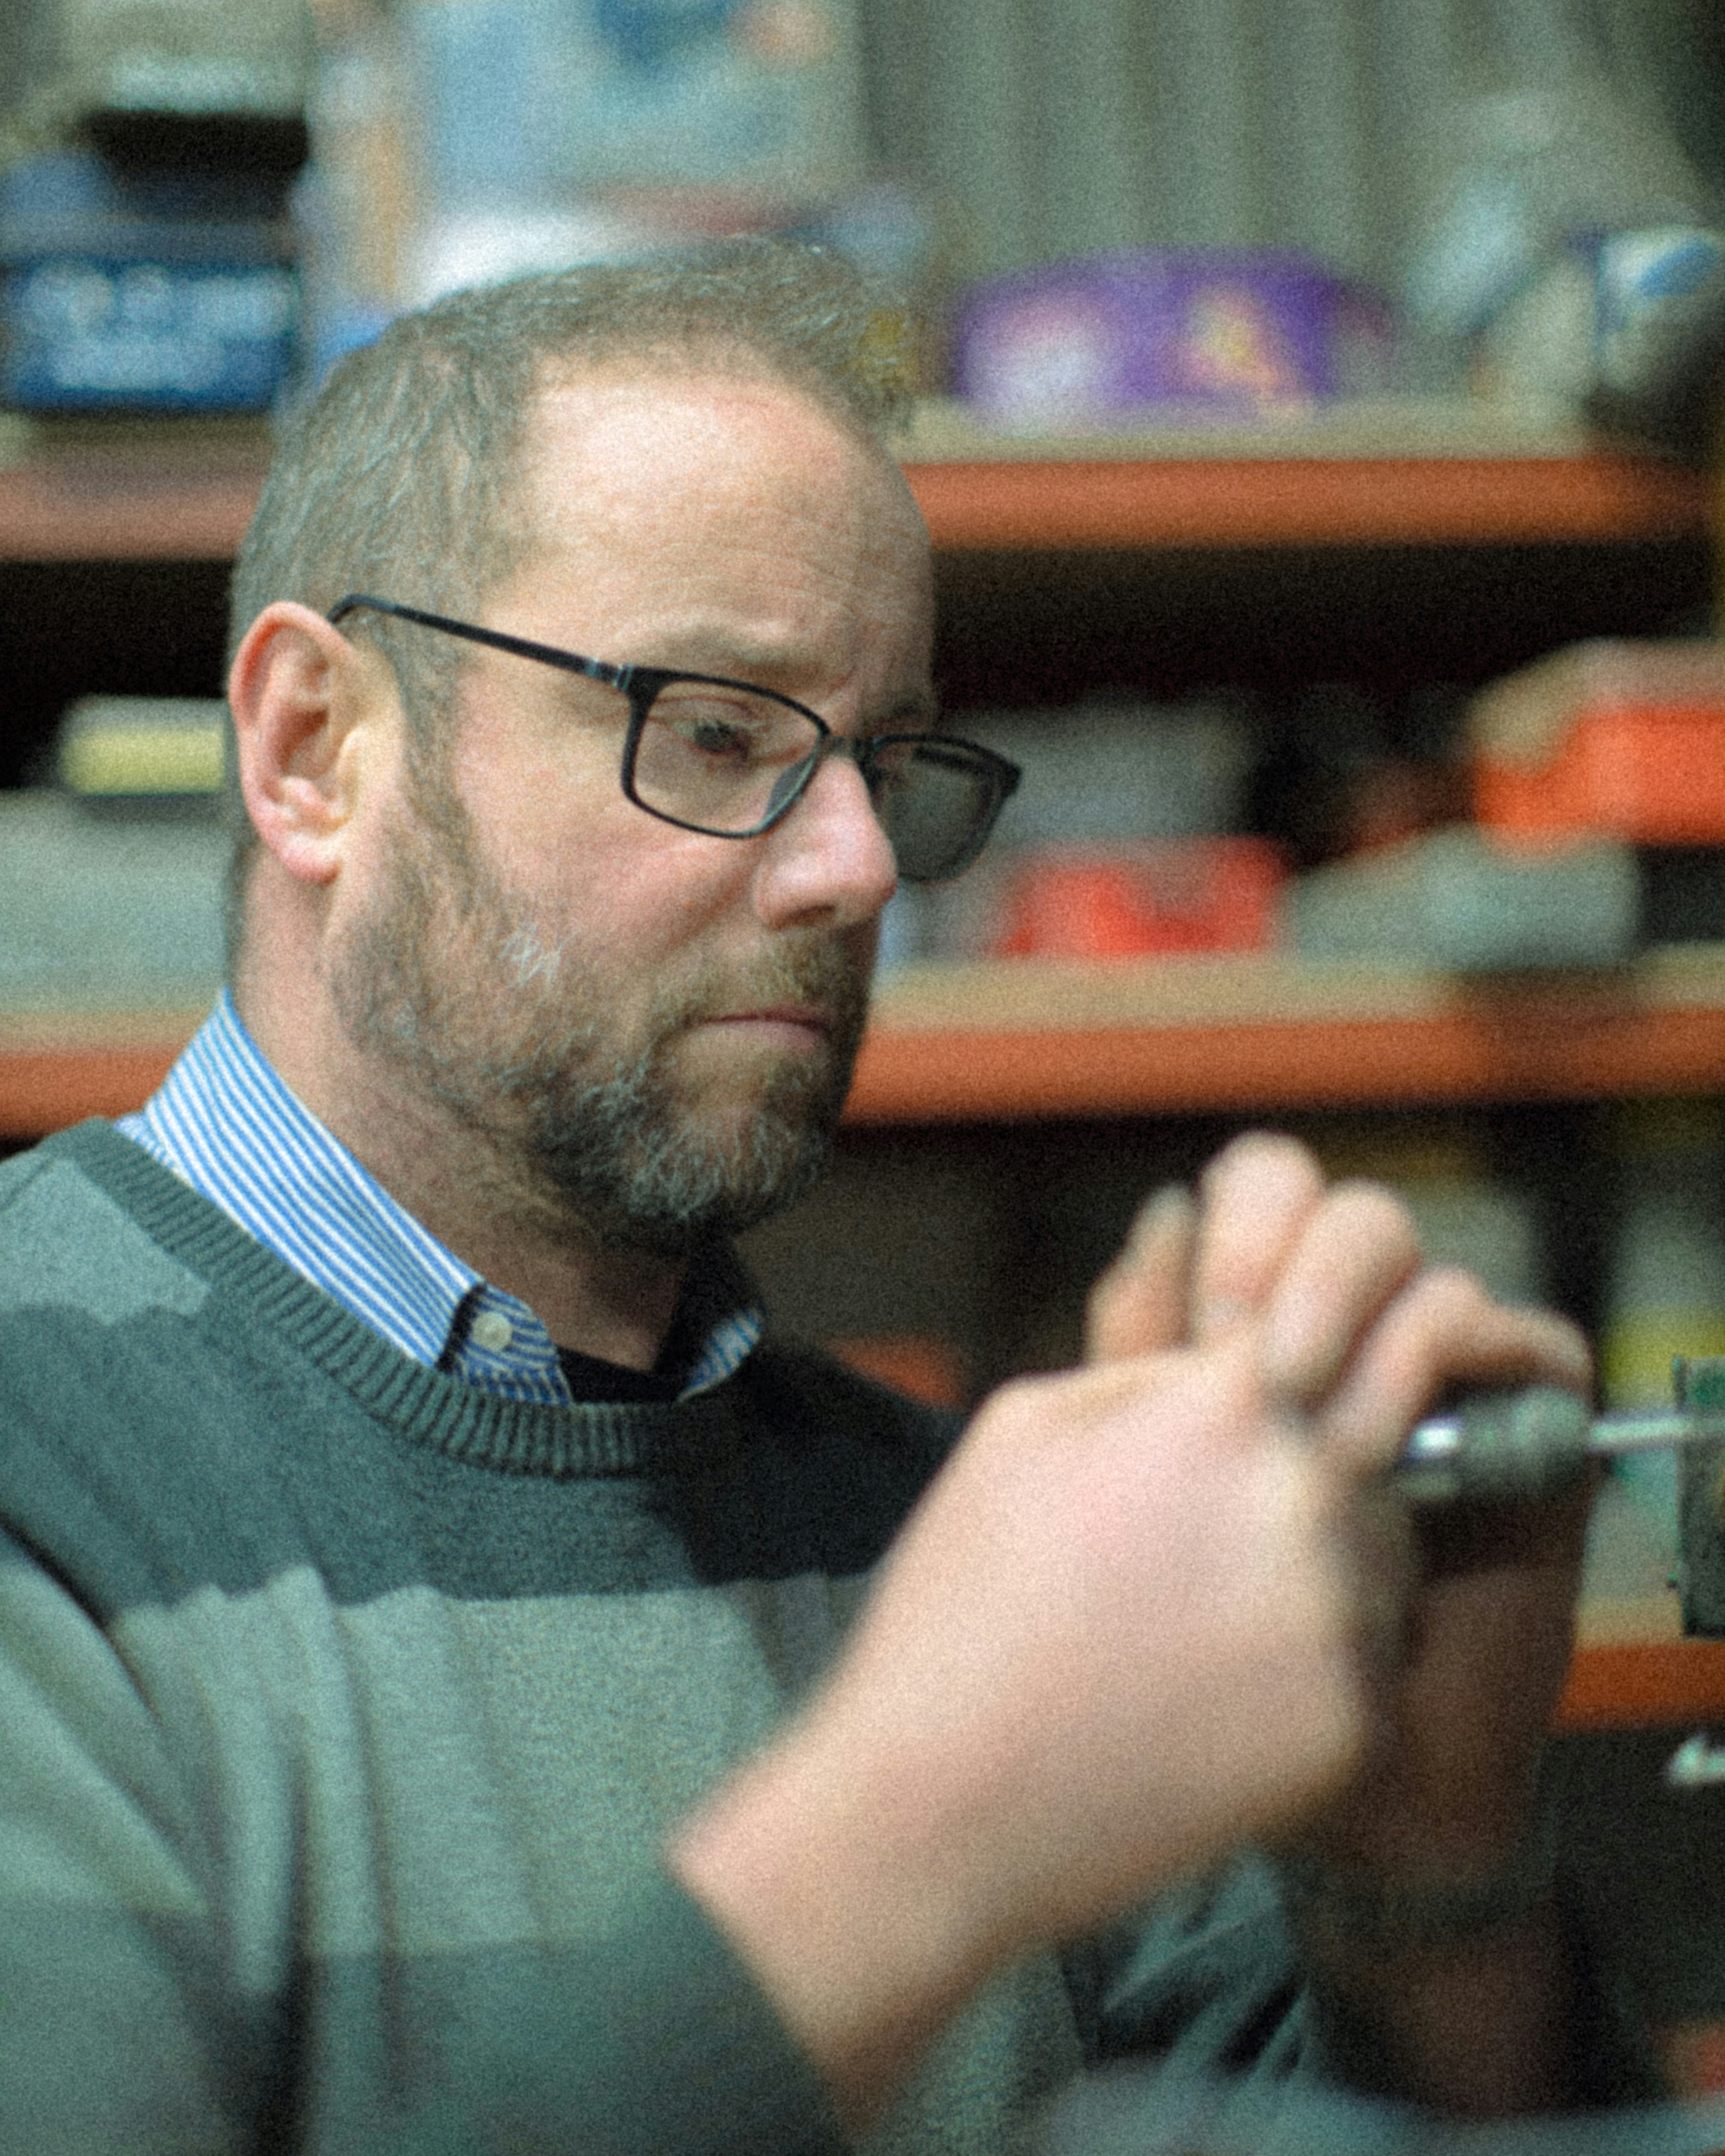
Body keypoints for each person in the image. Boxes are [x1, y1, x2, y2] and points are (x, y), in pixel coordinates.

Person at [0, 241, 1640, 2155]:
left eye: (884, 758)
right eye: (717, 731)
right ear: (315, 750)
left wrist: (1423, 1868)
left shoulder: (938, 1533)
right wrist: (921, 1822)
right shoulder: (50, 1478)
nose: (858, 866)